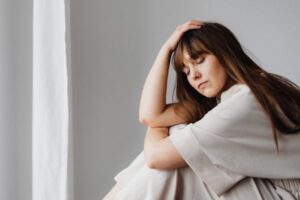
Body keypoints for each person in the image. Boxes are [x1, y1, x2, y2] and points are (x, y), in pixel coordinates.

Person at [103, 20, 300, 200]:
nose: (194, 76)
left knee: (177, 159)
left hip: (285, 194)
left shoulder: (245, 102)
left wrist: (161, 124)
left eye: (199, 61)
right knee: (178, 145)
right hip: (271, 188)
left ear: (224, 52)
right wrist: (166, 49)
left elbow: (155, 156)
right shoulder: (231, 96)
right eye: (186, 71)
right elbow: (150, 115)